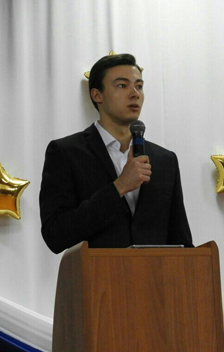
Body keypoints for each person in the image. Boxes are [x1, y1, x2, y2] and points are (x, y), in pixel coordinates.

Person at [39, 53, 193, 254]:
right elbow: (55, 235)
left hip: (156, 274)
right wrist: (119, 186)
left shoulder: (164, 160)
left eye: (139, 86)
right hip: (97, 273)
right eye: (122, 85)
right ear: (97, 95)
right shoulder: (66, 153)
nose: (135, 94)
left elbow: (180, 239)